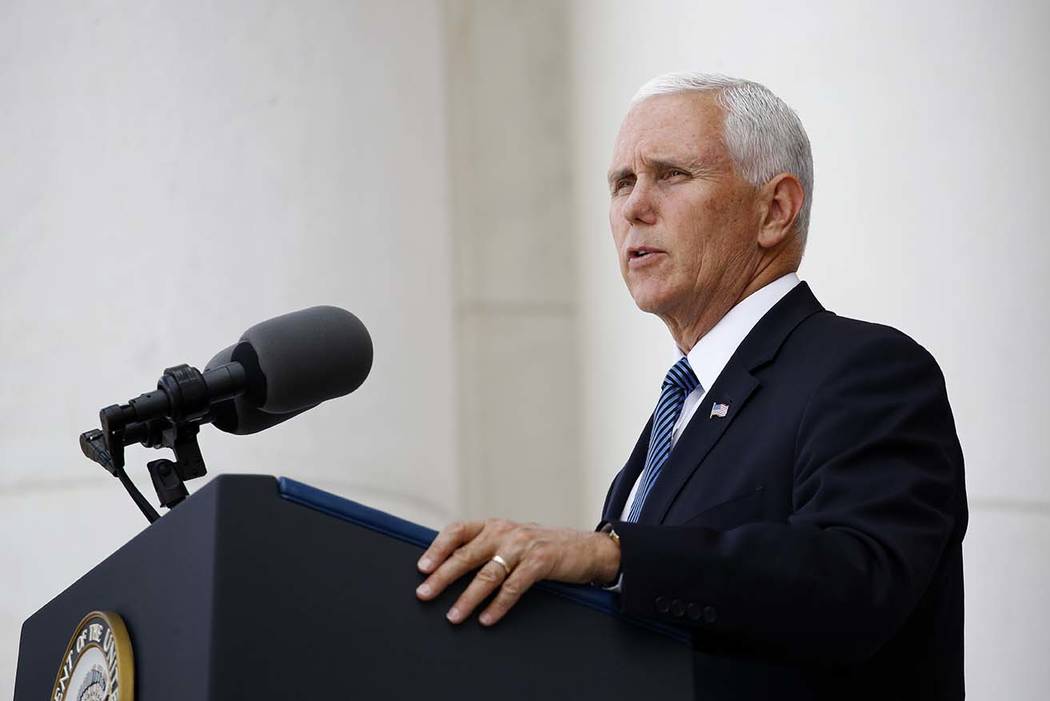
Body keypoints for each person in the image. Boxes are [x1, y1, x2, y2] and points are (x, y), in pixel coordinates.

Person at [414, 73, 967, 700]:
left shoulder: (867, 370)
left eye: (671, 175)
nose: (633, 207)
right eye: (622, 182)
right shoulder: (682, 405)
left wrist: (611, 555)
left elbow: (859, 580)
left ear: (775, 210)